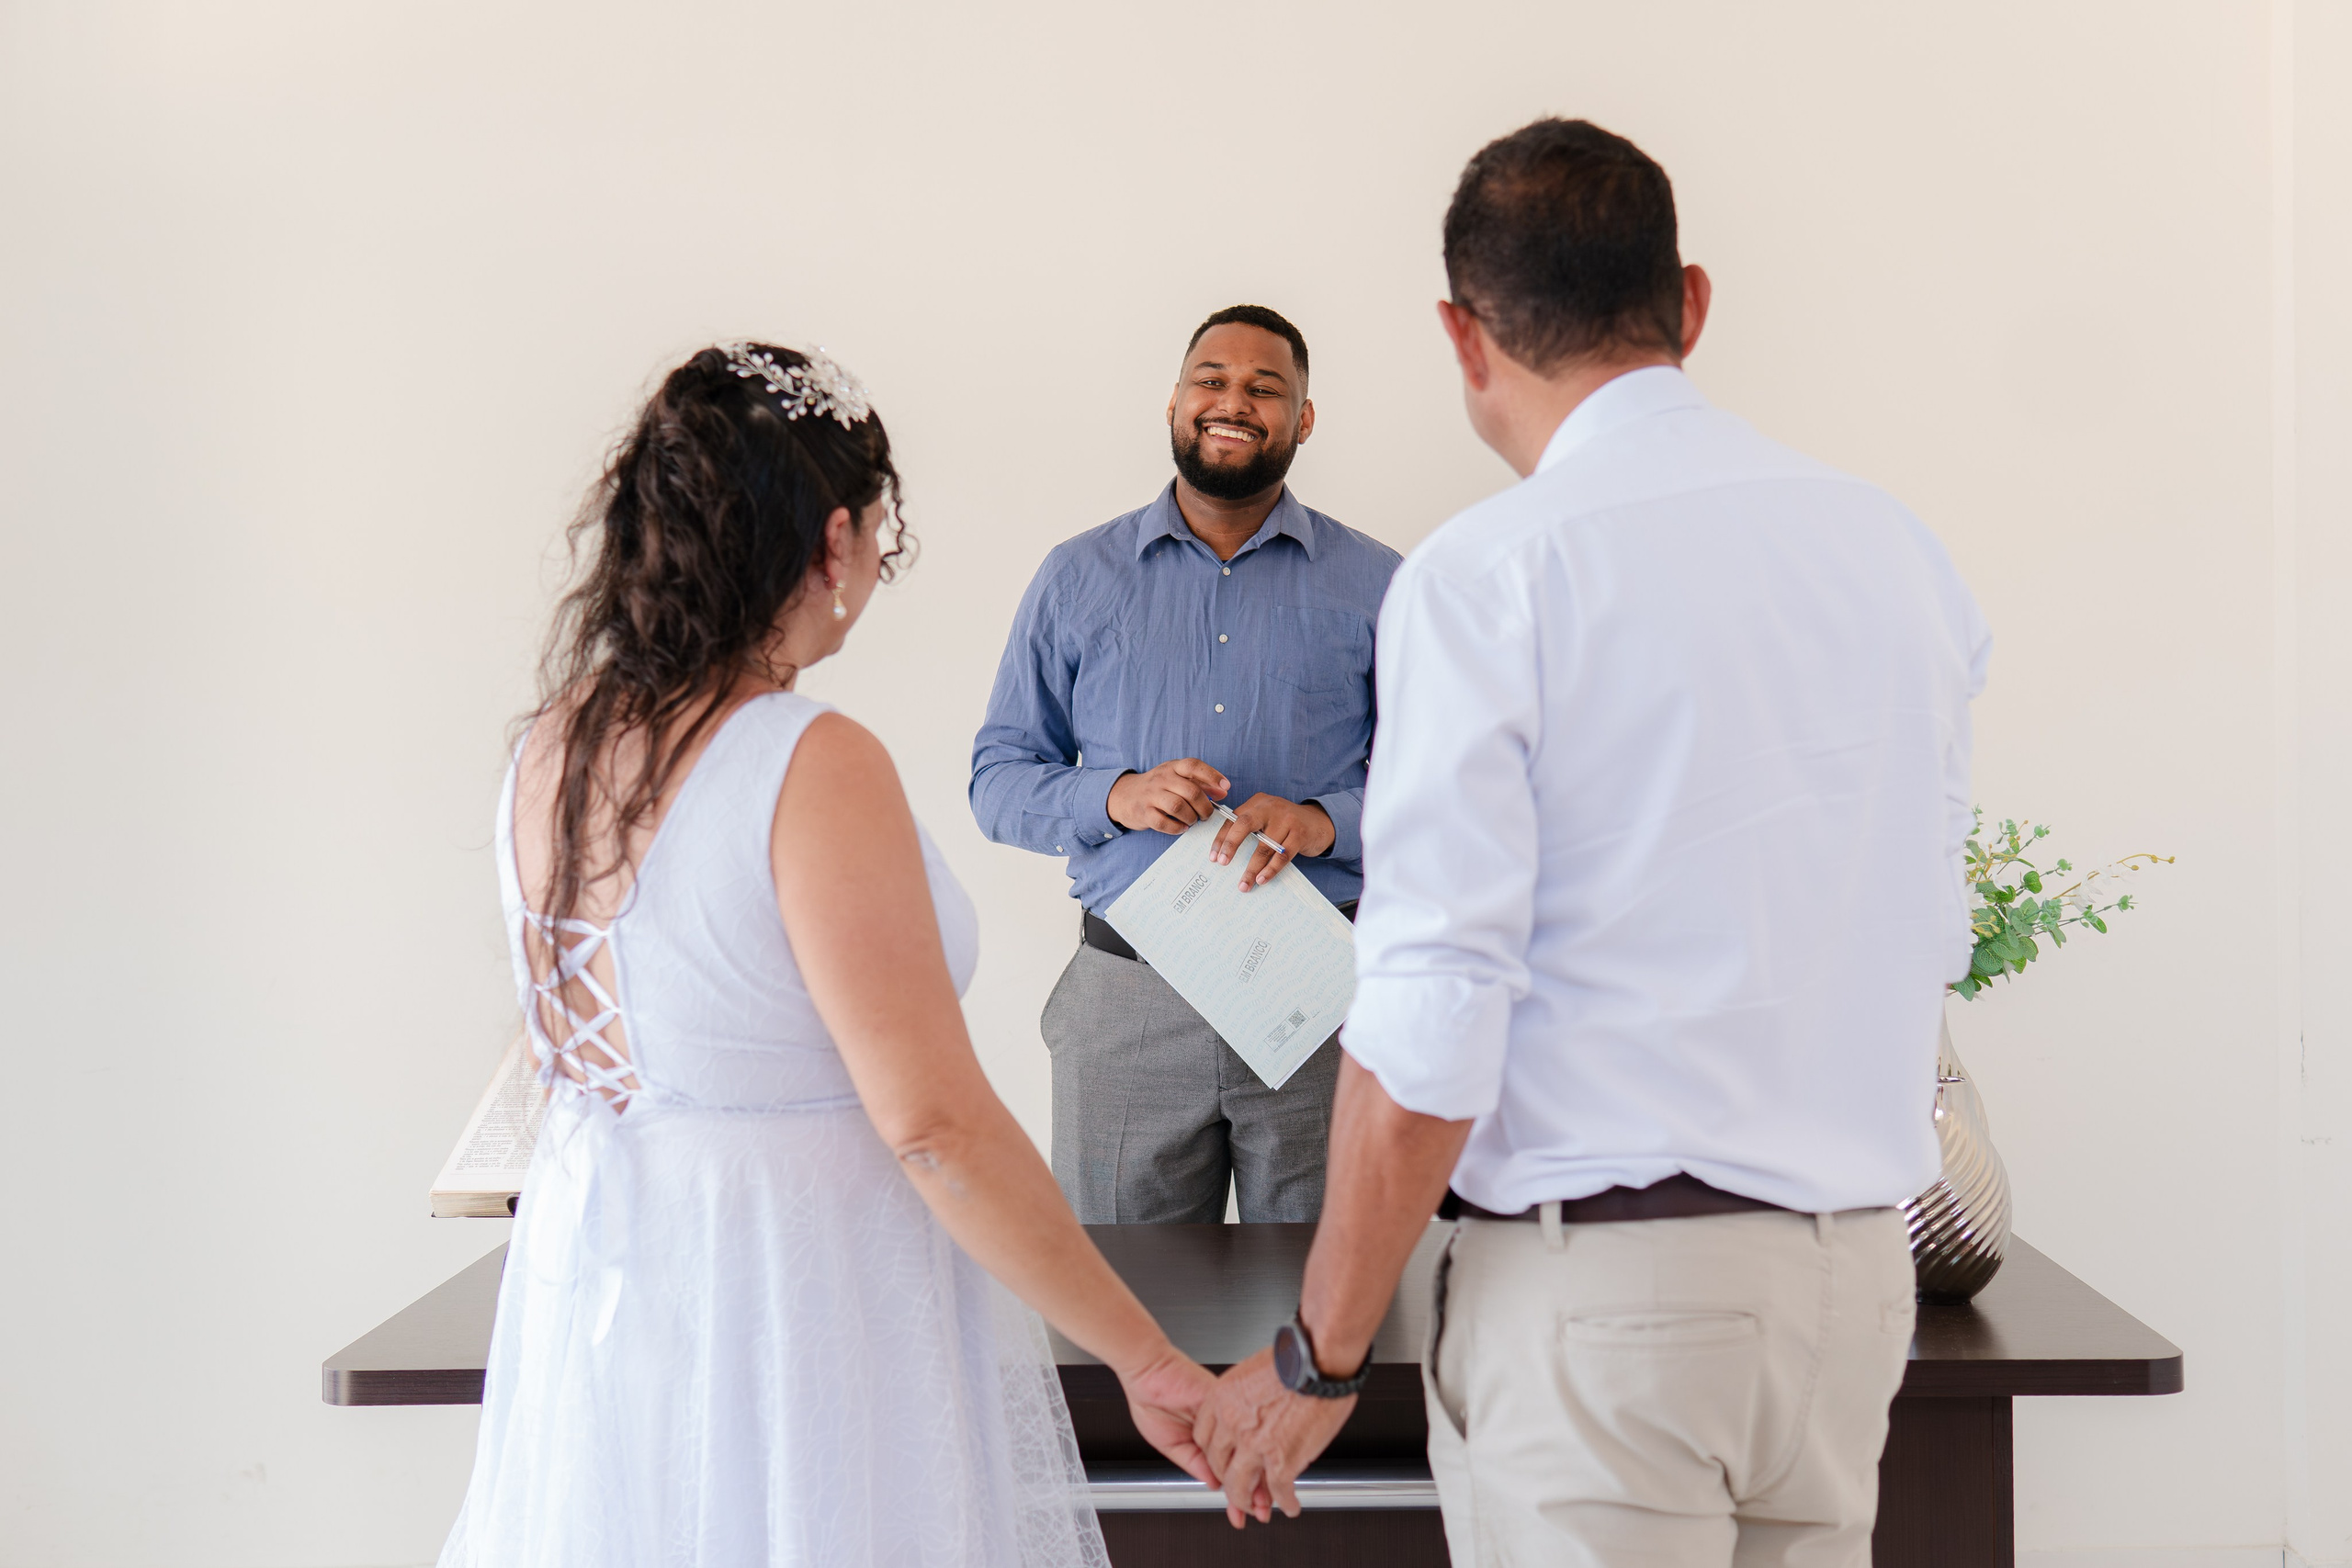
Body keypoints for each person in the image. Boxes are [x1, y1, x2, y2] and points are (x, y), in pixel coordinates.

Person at [1195, 119, 1991, 1567]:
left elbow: (1434, 1009)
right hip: (1851, 1285)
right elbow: (1931, 925)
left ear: (1462, 332)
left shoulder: (1489, 574)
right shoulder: (1895, 549)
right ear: (1689, 303)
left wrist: (1321, 1351)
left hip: (1606, 1304)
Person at [438, 343, 1213, 1568]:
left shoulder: (552, 744)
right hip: (791, 1302)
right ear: (836, 538)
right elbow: (935, 1126)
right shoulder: (806, 756)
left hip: (609, 1302)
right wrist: (1145, 1353)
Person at [970, 305, 1401, 1224]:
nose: (1232, 402)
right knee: (1121, 1327)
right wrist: (1113, 796)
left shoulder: (1380, 586)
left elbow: (1447, 795)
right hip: (1126, 1002)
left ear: (1303, 420)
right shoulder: (1075, 577)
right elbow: (997, 780)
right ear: (1173, 402)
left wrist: (1322, 821)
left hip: (1315, 999)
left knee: (1324, 1319)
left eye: (1264, 387)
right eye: (1210, 380)